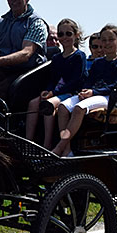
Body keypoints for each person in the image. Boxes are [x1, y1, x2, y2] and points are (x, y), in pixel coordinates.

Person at [52, 24, 117, 156]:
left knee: (79, 108)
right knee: (62, 107)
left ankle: (60, 146)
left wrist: (93, 92)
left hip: (111, 97)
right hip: (95, 94)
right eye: (104, 40)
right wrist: (85, 91)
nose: (107, 43)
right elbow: (89, 81)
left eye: (111, 39)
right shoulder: (98, 62)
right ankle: (67, 150)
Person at [25, 18, 86, 149]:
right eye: (61, 34)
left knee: (48, 105)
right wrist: (47, 90)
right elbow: (53, 79)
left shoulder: (79, 56)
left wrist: (54, 93)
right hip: (55, 92)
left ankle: (47, 145)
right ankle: (28, 142)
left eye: (68, 34)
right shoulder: (56, 58)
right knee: (33, 103)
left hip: (70, 93)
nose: (64, 37)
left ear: (76, 35)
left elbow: (75, 81)